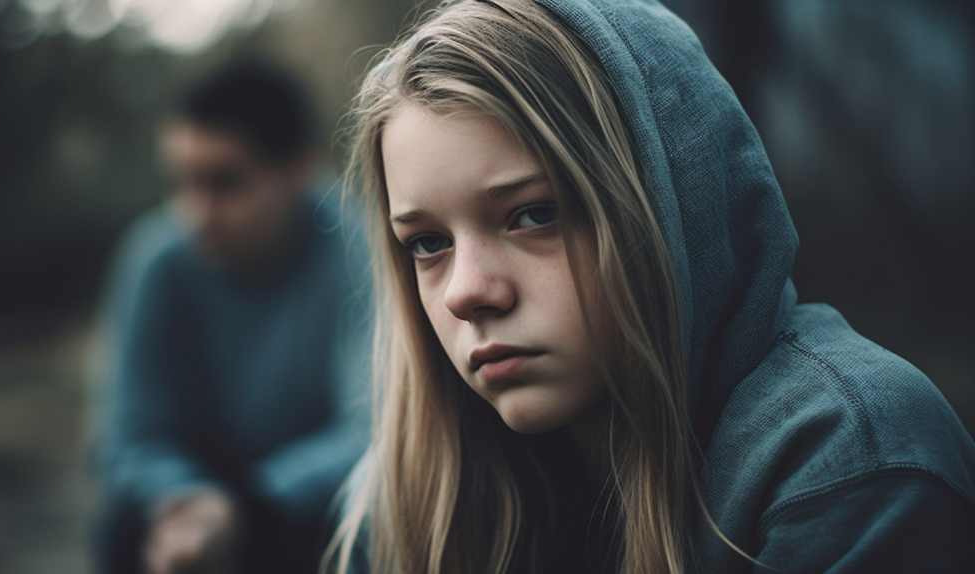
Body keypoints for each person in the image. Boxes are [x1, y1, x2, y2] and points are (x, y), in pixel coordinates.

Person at [322, 0, 975, 573]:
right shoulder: (408, 497)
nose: (465, 292)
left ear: (670, 206)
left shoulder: (853, 462)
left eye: (535, 214)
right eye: (427, 244)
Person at [93, 61, 371, 574]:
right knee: (125, 528)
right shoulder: (156, 259)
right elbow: (130, 437)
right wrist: (190, 501)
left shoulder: (360, 245)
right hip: (194, 497)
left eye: (224, 182)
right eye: (183, 183)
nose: (197, 211)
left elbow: (375, 430)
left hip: (306, 507)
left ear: (298, 169)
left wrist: (248, 506)